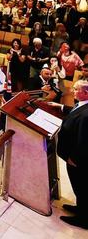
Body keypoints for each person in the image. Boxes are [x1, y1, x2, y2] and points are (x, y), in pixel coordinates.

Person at [48, 80, 88, 229]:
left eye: (76, 90)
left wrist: (74, 158)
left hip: (77, 160)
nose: (72, 92)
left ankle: (84, 219)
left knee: (82, 187)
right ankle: (80, 208)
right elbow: (75, 111)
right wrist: (61, 106)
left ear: (86, 93)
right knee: (79, 186)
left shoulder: (86, 116)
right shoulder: (83, 106)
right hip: (73, 157)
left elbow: (84, 141)